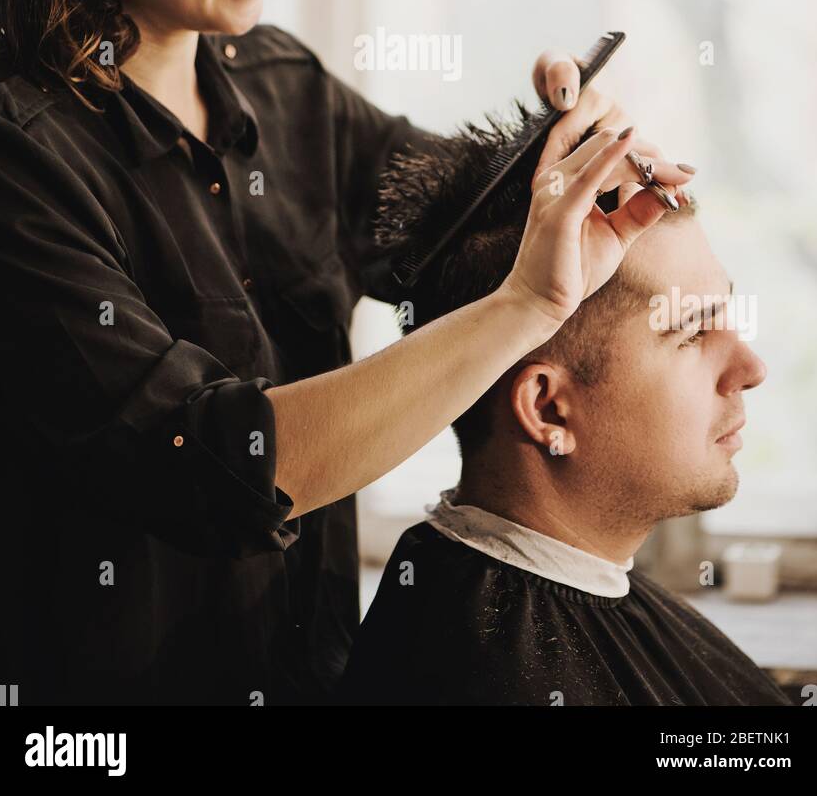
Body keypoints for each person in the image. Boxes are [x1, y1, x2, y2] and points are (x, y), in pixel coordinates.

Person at [0, 0, 696, 705]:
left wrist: (545, 156)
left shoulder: (278, 86)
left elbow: (443, 230)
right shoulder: (9, 163)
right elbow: (221, 464)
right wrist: (527, 301)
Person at [337, 106, 791, 707]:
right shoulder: (480, 675)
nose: (751, 370)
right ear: (549, 410)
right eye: (691, 332)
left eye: (726, 317)